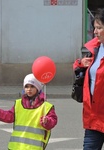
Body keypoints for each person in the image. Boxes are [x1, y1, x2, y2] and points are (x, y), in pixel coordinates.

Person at [0, 73, 58, 150]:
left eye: (32, 86)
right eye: (26, 86)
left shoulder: (46, 107)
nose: (29, 89)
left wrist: (47, 121)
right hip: (16, 146)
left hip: (33, 147)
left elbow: (53, 121)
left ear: (38, 88)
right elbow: (9, 116)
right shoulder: (18, 104)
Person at [73, 8, 104, 150]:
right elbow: (86, 68)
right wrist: (81, 64)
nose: (95, 32)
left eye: (99, 28)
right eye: (95, 28)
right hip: (94, 117)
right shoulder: (95, 48)